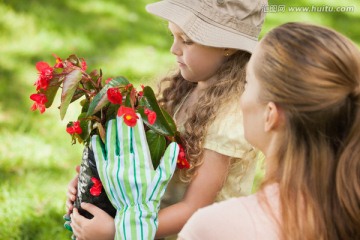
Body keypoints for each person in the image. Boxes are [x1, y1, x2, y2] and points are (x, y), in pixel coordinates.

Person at [67, 0, 267, 239]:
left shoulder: (227, 117)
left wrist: (118, 231)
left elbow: (195, 208)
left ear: (228, 47)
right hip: (159, 226)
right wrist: (97, 183)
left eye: (187, 40)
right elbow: (147, 159)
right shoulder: (186, 87)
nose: (174, 49)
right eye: (173, 35)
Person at [178, 22, 360, 240]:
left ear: (270, 115)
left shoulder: (213, 228)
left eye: (246, 83)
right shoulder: (347, 213)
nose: (241, 97)